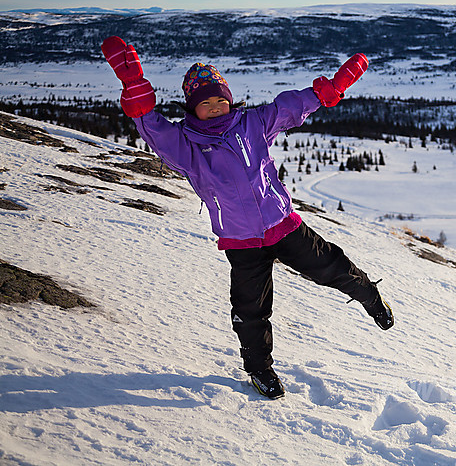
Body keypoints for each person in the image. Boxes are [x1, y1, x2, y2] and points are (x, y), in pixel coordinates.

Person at [101, 36, 394, 400]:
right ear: (193, 108)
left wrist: (329, 90)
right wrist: (134, 87)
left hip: (282, 225)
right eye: (205, 104)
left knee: (330, 266)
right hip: (241, 242)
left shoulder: (251, 124)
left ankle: (371, 297)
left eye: (220, 100)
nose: (214, 108)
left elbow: (286, 109)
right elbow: (153, 128)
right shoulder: (186, 145)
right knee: (250, 310)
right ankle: (259, 370)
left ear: (229, 99)